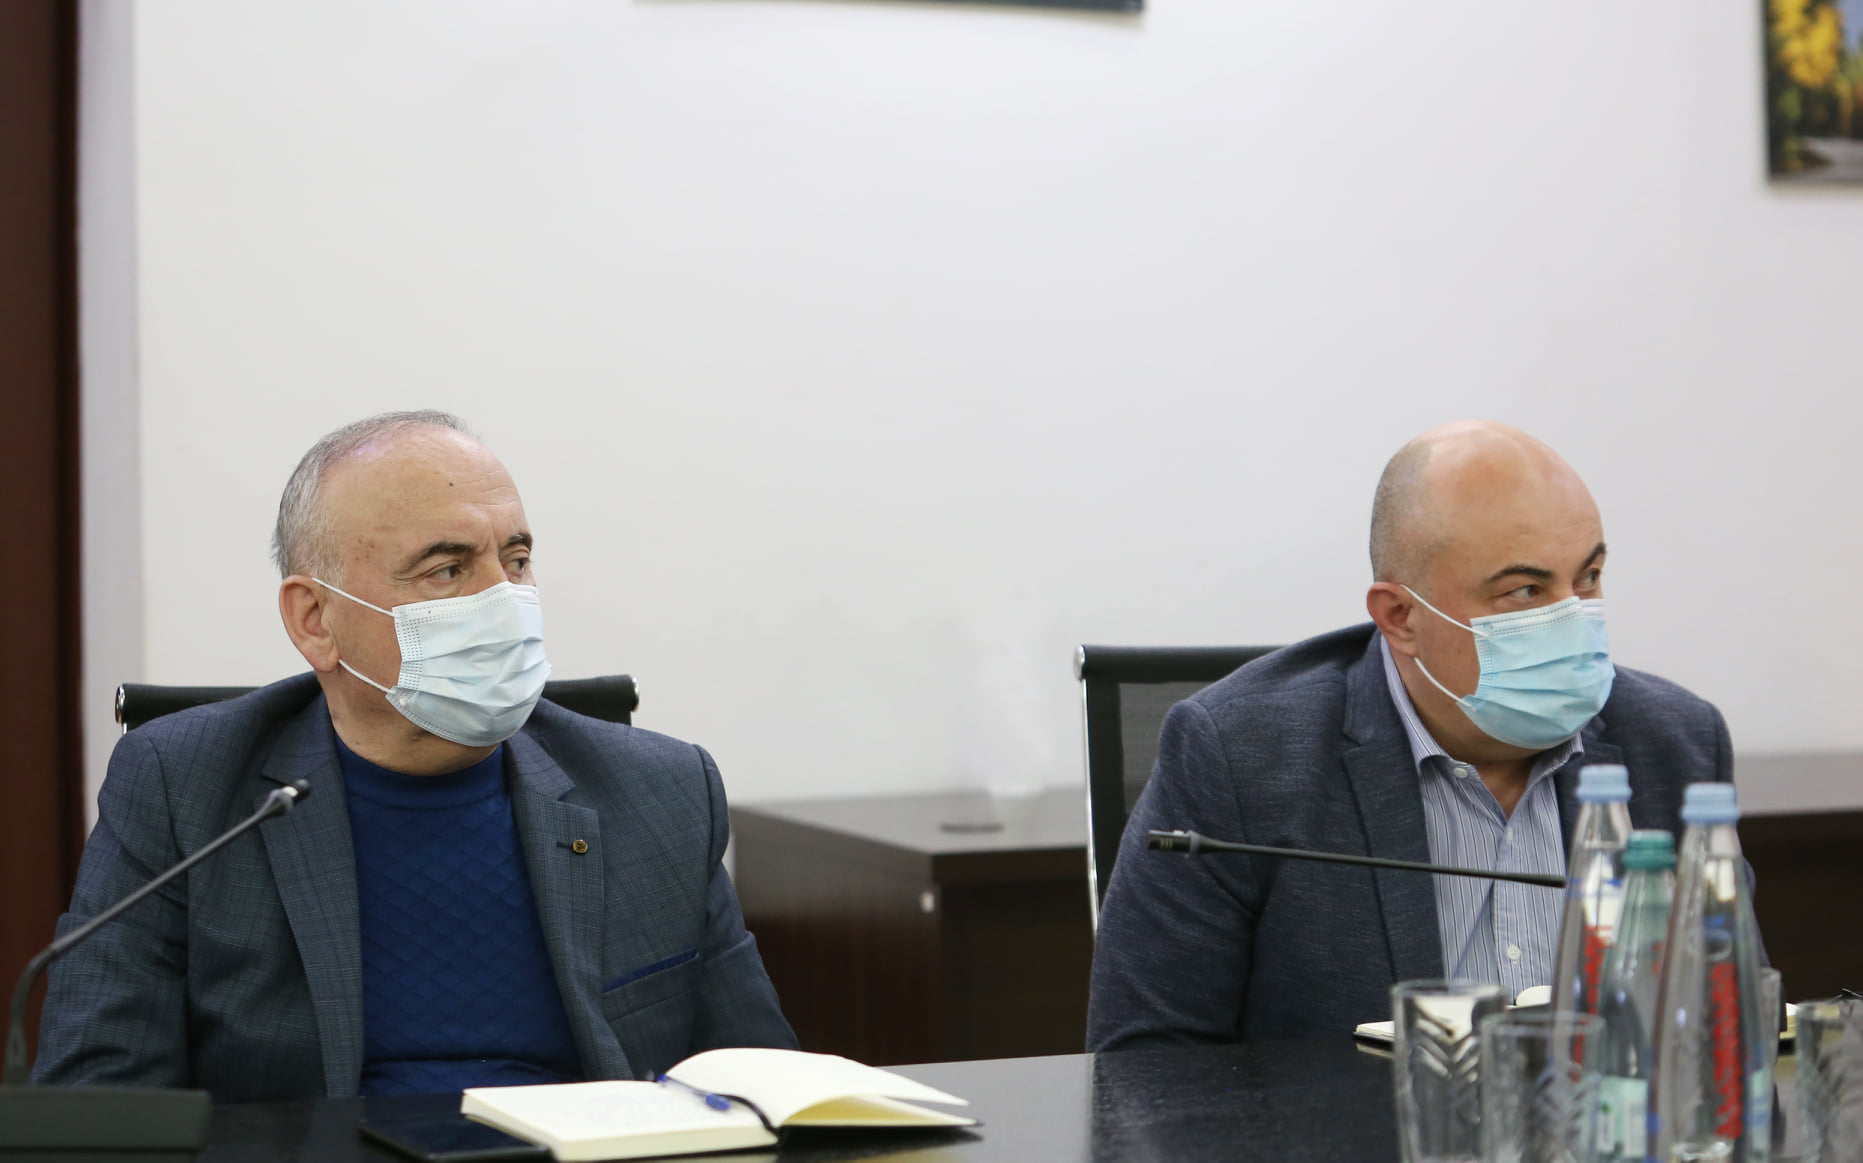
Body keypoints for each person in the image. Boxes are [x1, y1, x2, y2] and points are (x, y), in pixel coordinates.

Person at [36, 411, 796, 1100]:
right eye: (447, 569)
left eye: (516, 560)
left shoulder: (660, 790)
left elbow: (768, 1087)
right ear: (315, 619)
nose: (504, 600)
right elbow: (97, 1099)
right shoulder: (185, 790)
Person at [1087, 420, 1739, 1048]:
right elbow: (1143, 1073)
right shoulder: (1240, 757)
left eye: (1587, 577)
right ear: (1399, 616)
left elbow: (1728, 1025)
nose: (1571, 618)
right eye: (1524, 591)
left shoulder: (1676, 743)